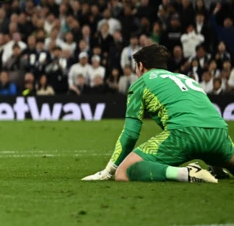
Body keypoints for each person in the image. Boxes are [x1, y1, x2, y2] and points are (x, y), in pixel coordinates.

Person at [82, 44, 233, 183]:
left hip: (183, 134)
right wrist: (216, 162)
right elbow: (203, 115)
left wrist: (108, 171)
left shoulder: (141, 83)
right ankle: (216, 168)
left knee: (124, 172)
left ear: (141, 66)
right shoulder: (186, 79)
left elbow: (130, 134)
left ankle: (186, 173)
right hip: (219, 135)